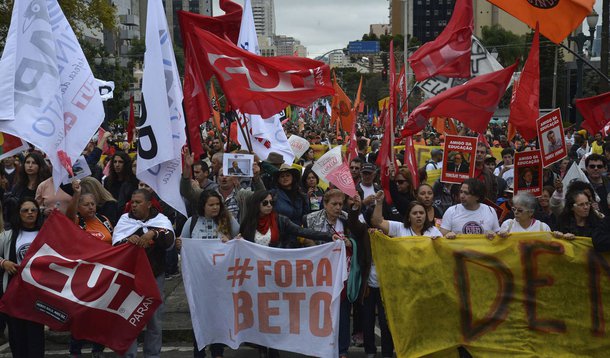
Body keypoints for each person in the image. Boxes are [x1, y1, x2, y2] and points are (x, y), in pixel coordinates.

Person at [369, 193, 442, 358]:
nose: (418, 216)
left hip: (424, 290)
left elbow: (442, 255)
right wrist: (379, 203)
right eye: (415, 213)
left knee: (417, 327)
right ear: (408, 216)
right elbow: (377, 222)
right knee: (391, 324)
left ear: (426, 216)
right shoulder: (400, 229)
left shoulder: (433, 232)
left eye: (421, 213)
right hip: (401, 289)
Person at [112, 189, 175, 358]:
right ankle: (129, 355)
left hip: (154, 276)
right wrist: (129, 240)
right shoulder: (125, 220)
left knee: (154, 319)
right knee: (129, 318)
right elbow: (116, 244)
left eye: (138, 202)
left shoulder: (161, 220)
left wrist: (154, 233)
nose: (134, 206)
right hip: (131, 278)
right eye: (132, 202)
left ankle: (153, 355)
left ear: (148, 204)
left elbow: (170, 242)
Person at [177, 190, 238, 358]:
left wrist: (231, 241)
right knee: (200, 316)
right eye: (211, 205)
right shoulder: (192, 222)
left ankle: (218, 352)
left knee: (219, 316)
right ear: (203, 206)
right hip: (199, 281)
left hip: (221, 281)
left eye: (217, 204)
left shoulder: (229, 221)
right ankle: (199, 352)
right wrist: (179, 244)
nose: (215, 207)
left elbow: (241, 242)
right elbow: (182, 247)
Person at [65, 180, 110, 356]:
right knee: (81, 315)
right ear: (78, 207)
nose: (91, 207)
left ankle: (97, 350)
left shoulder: (105, 221)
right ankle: (75, 351)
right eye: (86, 204)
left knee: (100, 315)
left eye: (92, 204)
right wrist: (76, 195)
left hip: (104, 275)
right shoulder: (76, 222)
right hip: (82, 276)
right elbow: (68, 215)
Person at [0, 198, 44, 357]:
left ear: (38, 212)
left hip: (37, 294)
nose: (30, 213)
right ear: (18, 214)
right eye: (25, 210)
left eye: (33, 210)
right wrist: (4, 262)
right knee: (16, 338)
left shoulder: (46, 233)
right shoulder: (8, 235)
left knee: (35, 339)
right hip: (14, 294)